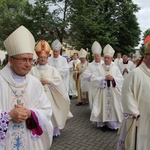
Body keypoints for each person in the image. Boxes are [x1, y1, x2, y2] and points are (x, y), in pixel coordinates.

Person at [0, 26, 53, 150]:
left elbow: (47, 110)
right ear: (11, 60)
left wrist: (31, 113)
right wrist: (8, 116)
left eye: (30, 59)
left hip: (29, 140)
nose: (28, 64)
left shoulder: (34, 83)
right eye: (24, 59)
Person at [30, 40, 70, 137]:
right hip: (37, 97)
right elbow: (29, 82)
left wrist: (49, 81)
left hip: (50, 96)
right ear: (38, 58)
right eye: (41, 57)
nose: (43, 59)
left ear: (47, 58)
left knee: (52, 112)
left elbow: (58, 81)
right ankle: (41, 130)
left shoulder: (52, 69)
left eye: (44, 57)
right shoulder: (32, 70)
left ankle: (53, 130)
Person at [117, 38, 150, 150]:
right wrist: (134, 112)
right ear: (145, 58)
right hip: (140, 118)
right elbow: (127, 93)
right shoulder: (136, 73)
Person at [90, 44, 124, 132]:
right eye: (105, 58)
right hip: (103, 92)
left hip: (113, 92)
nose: (106, 59)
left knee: (114, 107)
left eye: (108, 58)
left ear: (111, 58)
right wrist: (103, 79)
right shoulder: (99, 68)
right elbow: (93, 79)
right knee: (102, 106)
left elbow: (121, 79)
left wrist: (113, 79)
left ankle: (113, 125)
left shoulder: (115, 68)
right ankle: (103, 124)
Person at [81, 41, 103, 109]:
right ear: (93, 56)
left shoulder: (104, 64)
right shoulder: (90, 65)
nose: (96, 57)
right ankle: (94, 113)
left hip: (102, 86)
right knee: (94, 100)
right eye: (95, 56)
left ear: (100, 56)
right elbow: (85, 74)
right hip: (93, 86)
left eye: (98, 56)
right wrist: (93, 76)